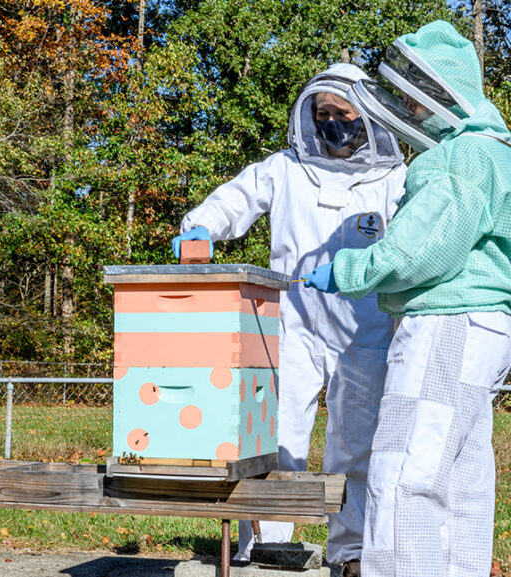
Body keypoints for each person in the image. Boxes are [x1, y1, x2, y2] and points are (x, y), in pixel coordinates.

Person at [173, 63, 407, 575]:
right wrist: (200, 227)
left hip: (366, 332)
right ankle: (267, 546)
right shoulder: (284, 168)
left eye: (341, 114)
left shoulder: (393, 180)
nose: (330, 124)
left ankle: (352, 552)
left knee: (357, 445)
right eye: (321, 114)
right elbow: (235, 198)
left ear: (366, 117)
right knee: (277, 438)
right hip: (291, 326)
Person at [302, 20, 511, 577]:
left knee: (405, 474)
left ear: (441, 92)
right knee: (461, 476)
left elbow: (421, 249)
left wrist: (349, 269)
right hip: (486, 328)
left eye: (418, 100)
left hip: (446, 323)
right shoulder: (497, 153)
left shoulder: (459, 157)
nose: (412, 113)